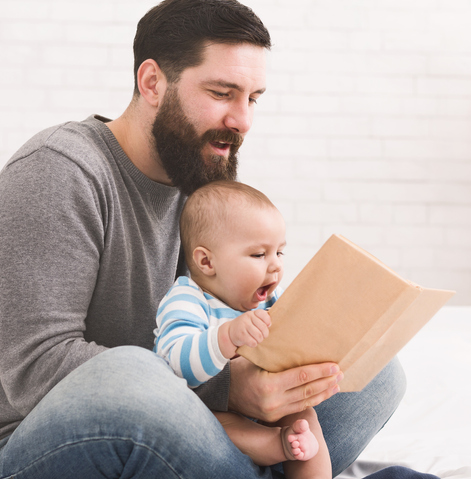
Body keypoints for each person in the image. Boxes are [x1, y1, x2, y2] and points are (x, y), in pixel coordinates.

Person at [0, 1, 406, 477]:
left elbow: (216, 314)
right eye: (222, 93)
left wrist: (278, 356)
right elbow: (31, 369)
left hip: (181, 416)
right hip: (41, 440)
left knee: (375, 375)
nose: (243, 120)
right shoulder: (59, 171)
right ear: (152, 83)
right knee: (133, 374)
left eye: (253, 98)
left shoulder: (199, 183)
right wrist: (229, 386)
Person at [154, 180, 331, 478]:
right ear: (207, 261)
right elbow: (174, 362)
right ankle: (278, 445)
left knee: (305, 419)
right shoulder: (187, 298)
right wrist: (227, 337)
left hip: (268, 405)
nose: (274, 266)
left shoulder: (270, 300)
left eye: (280, 253)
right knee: (217, 424)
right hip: (206, 414)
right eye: (259, 255)